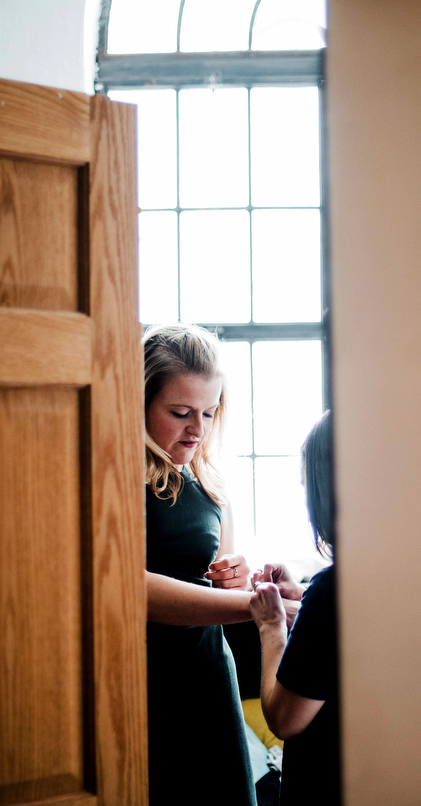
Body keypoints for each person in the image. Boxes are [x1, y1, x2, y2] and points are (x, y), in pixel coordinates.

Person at [142, 323, 299, 806]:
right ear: (136, 402)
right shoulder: (117, 472)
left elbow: (218, 579)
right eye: (180, 412)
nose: (198, 429)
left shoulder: (210, 482)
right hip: (146, 677)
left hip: (208, 671)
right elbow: (127, 587)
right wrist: (253, 608)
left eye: (210, 413)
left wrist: (240, 580)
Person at [249, 411, 341, 805]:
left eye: (308, 487)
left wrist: (272, 627)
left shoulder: (330, 592)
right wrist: (301, 596)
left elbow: (285, 719)